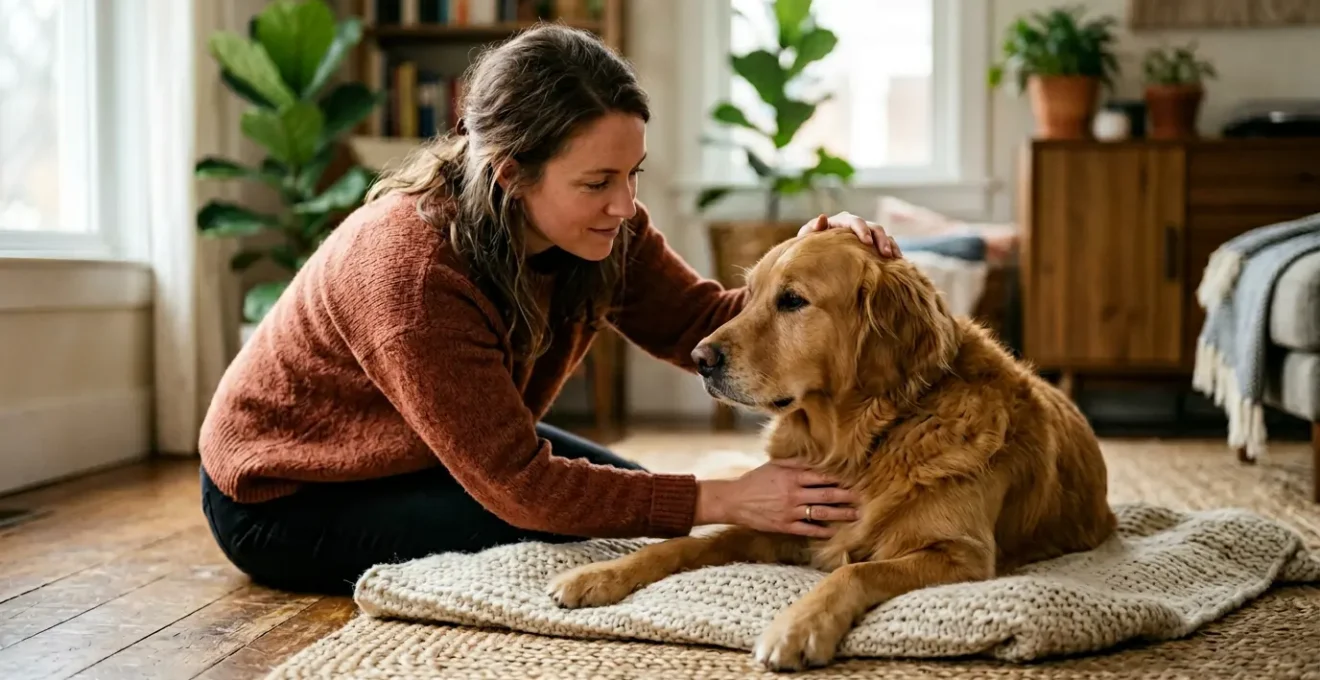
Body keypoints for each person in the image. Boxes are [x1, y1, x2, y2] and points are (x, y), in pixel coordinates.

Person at [197, 23, 902, 596]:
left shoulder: (601, 227)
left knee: (627, 507)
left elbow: (699, 323)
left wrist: (810, 259)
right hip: (285, 499)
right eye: (598, 181)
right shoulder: (410, 274)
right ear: (510, 173)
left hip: (426, 460)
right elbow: (520, 484)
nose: (625, 205)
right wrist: (723, 499)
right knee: (586, 519)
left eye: (633, 175)